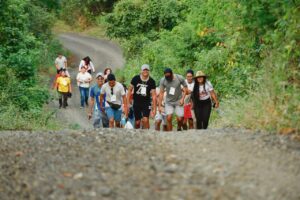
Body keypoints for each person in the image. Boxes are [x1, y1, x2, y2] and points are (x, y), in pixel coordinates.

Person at [127, 64, 156, 129]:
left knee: (145, 120)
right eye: (144, 70)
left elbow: (154, 96)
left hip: (146, 102)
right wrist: (128, 103)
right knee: (137, 122)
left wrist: (154, 109)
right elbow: (129, 90)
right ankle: (136, 135)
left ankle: (147, 135)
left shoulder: (152, 81)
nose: (145, 71)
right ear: (141, 71)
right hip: (137, 102)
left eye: (147, 70)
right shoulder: (135, 78)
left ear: (149, 71)